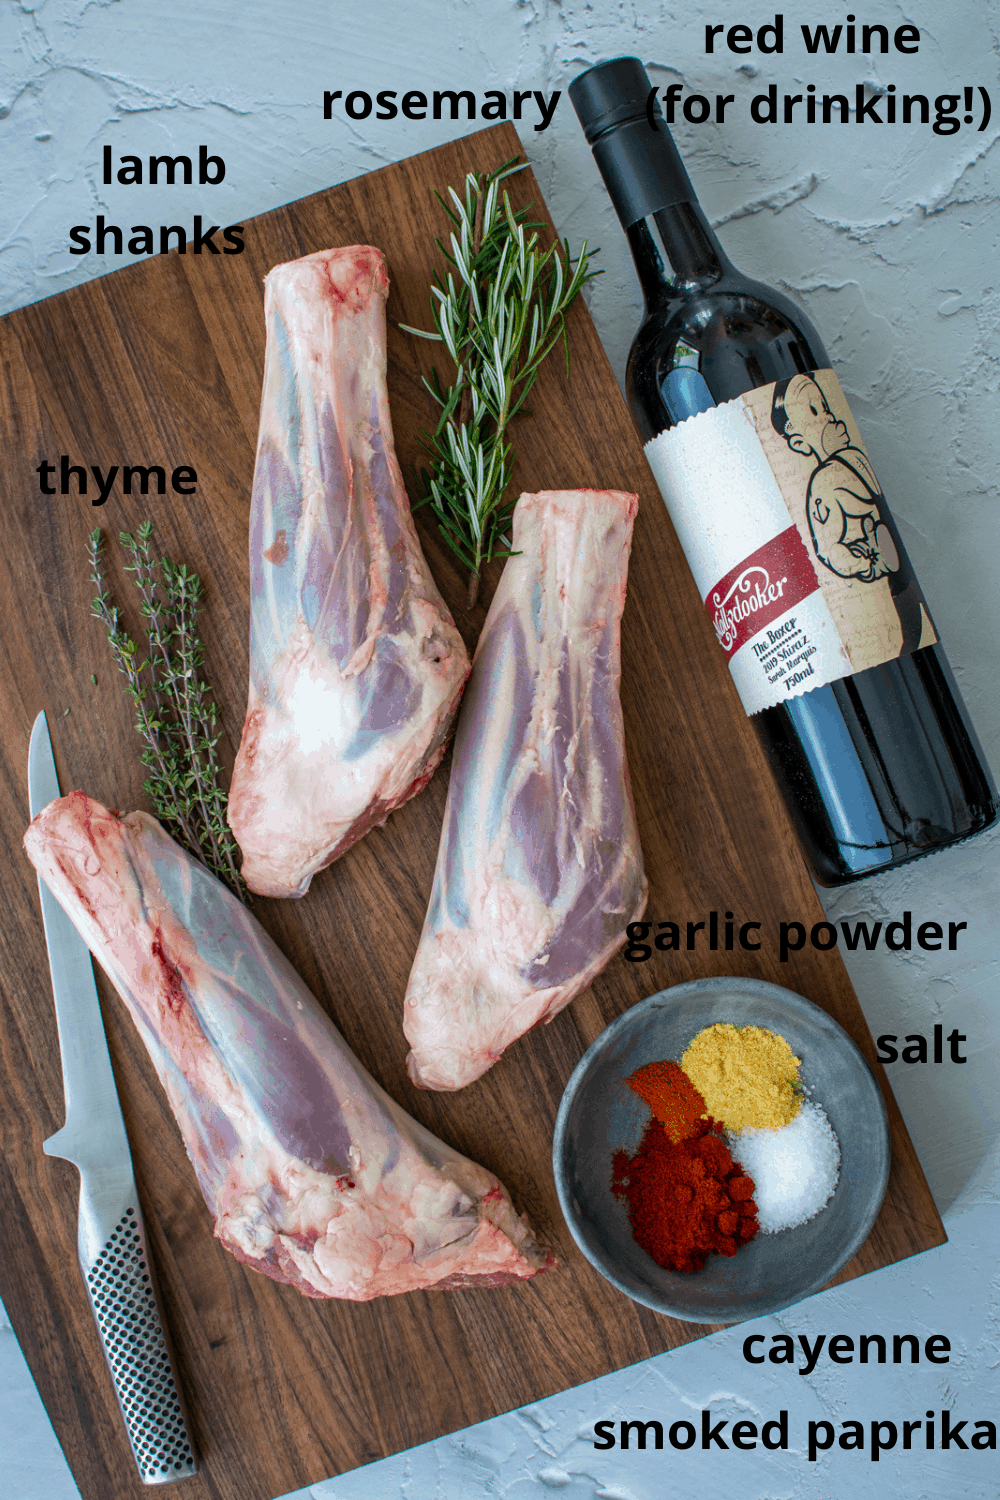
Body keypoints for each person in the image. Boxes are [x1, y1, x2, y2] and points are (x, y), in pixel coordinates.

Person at [771, 373, 927, 654]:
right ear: (798, 442)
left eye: (825, 406)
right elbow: (829, 548)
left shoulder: (853, 457)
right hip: (880, 587)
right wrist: (865, 563)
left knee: (916, 633)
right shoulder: (824, 482)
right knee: (907, 640)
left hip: (905, 576)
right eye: (814, 412)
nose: (829, 417)